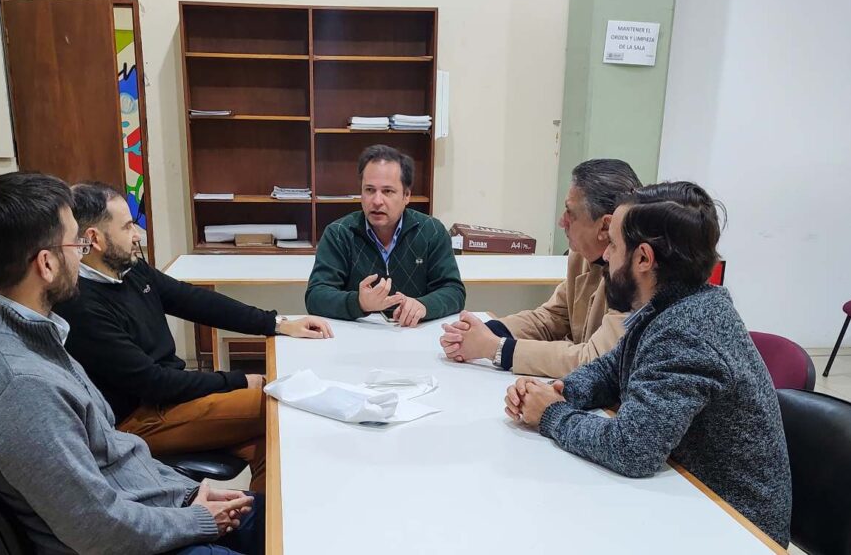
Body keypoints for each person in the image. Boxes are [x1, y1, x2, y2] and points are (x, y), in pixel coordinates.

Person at [0, 172, 264, 555]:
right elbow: (97, 529)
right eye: (76, 242)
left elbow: (112, 448)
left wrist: (188, 495)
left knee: (282, 518)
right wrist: (197, 519)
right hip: (127, 540)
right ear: (47, 263)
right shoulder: (23, 386)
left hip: (148, 512)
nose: (82, 253)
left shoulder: (23, 330)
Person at [504, 182, 792, 547]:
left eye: (613, 245)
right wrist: (561, 391)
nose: (605, 256)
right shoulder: (670, 305)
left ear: (643, 259)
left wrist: (551, 414)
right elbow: (612, 368)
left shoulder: (687, 331)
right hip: (688, 498)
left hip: (736, 530)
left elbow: (631, 449)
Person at [54, 183, 332, 492]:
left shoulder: (128, 270)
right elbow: (153, 382)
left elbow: (192, 300)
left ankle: (261, 519)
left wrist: (275, 323)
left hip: (170, 399)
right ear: (94, 239)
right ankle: (258, 517)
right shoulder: (81, 306)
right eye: (128, 226)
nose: (137, 235)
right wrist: (239, 380)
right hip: (139, 419)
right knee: (278, 405)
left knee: (270, 442)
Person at [439, 159, 640, 376]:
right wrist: (485, 332)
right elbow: (552, 317)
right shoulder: (582, 254)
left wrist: (497, 348)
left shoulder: (639, 276)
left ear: (605, 226)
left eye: (570, 213)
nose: (561, 222)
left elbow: (595, 360)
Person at [305, 144, 465, 326]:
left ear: (406, 195)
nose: (377, 201)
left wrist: (424, 305)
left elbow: (454, 291)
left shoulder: (432, 231)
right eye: (369, 190)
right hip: (358, 335)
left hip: (413, 333)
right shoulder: (339, 233)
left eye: (387, 191)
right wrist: (359, 303)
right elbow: (315, 296)